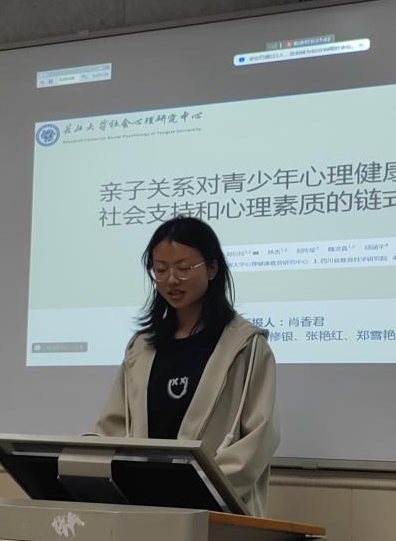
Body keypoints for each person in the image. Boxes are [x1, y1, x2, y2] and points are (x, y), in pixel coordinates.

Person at [93, 216, 279, 516]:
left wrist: (192, 489)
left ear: (212, 268)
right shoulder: (141, 347)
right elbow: (112, 428)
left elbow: (260, 437)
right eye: (160, 269)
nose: (171, 280)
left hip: (213, 511)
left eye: (183, 268)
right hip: (141, 509)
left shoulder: (246, 346)